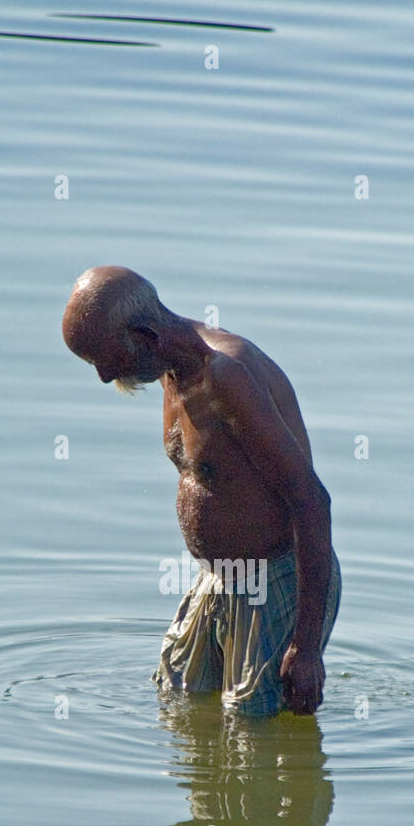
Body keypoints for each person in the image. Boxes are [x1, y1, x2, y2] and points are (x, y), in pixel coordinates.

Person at [61, 266, 340, 716]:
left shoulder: (227, 377)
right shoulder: (171, 369)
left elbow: (311, 500)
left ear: (145, 337)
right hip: (219, 579)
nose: (104, 375)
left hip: (271, 583)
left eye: (105, 359)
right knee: (178, 703)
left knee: (253, 739)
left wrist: (306, 651)